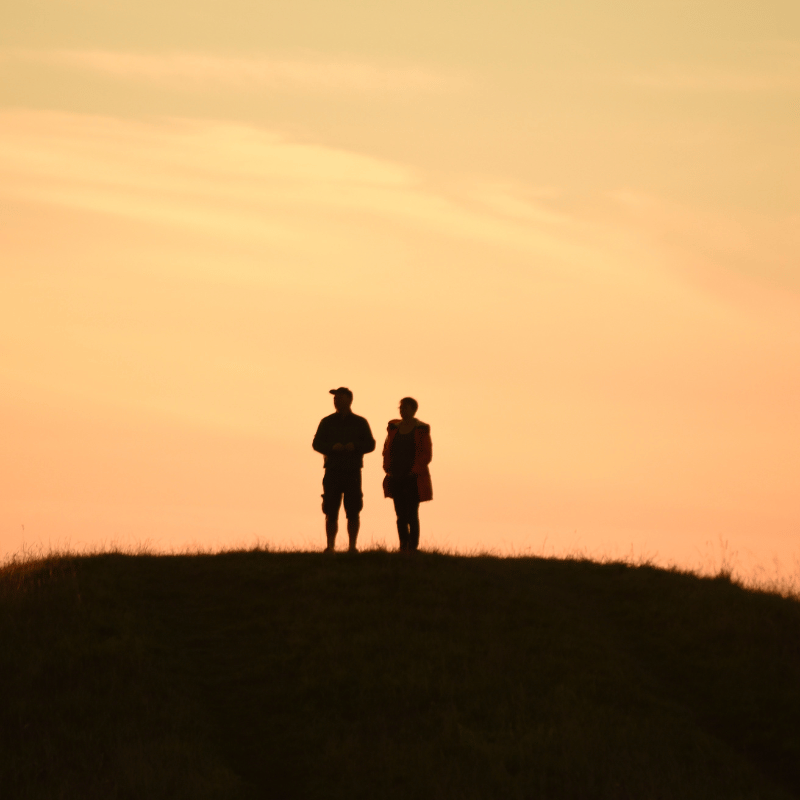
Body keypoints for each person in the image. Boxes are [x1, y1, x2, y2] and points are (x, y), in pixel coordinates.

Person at [312, 387, 376, 553]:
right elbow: (316, 444)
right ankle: (330, 546)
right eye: (335, 398)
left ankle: (352, 546)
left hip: (352, 471)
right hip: (332, 471)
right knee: (330, 511)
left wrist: (355, 447)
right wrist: (332, 447)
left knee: (353, 510)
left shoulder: (360, 422)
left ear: (349, 400)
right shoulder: (326, 422)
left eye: (339, 398)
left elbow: (371, 444)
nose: (336, 401)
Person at [382, 397, 432, 552]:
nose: (402, 410)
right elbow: (386, 449)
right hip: (395, 476)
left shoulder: (421, 429)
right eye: (401, 407)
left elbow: (426, 454)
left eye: (405, 407)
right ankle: (403, 545)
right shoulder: (393, 427)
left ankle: (413, 546)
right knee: (400, 515)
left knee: (412, 514)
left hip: (413, 479)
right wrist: (387, 468)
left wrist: (414, 470)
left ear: (413, 409)